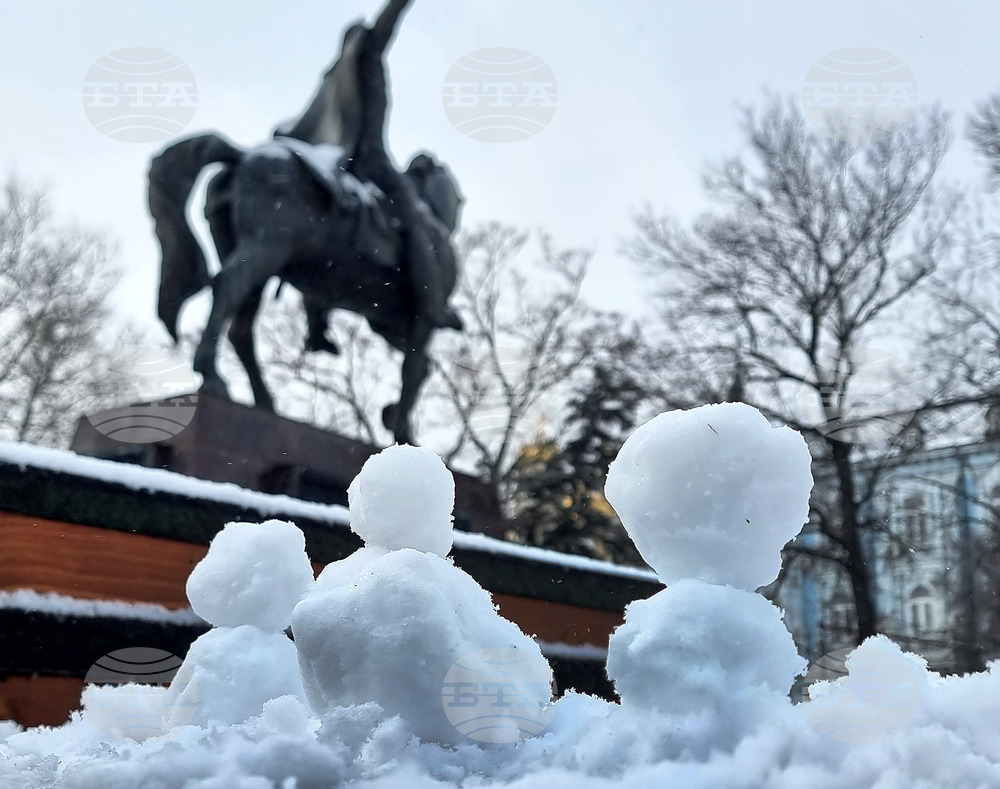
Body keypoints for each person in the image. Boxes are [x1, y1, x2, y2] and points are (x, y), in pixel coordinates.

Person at [277, 0, 462, 332]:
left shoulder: (337, 74)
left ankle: (316, 326)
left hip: (341, 159)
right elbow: (385, 24)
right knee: (415, 219)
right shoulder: (368, 59)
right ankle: (433, 304)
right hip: (371, 161)